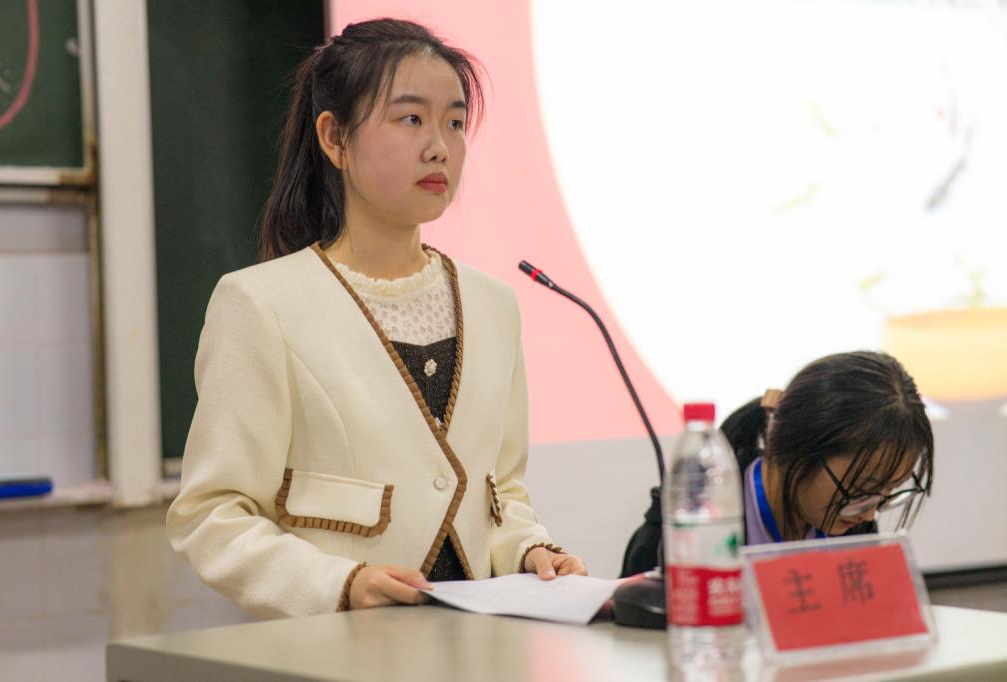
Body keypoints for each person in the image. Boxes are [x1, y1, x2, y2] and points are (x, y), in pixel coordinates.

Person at [167, 18, 585, 619]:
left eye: (455, 122)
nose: (439, 147)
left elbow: (500, 492)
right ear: (334, 138)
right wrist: (340, 583)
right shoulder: (260, 304)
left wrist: (529, 549)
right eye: (411, 118)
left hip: (479, 645)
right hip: (339, 647)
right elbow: (210, 514)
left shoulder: (494, 305)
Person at [620, 351, 933, 575]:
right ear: (798, 448)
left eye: (888, 493)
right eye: (862, 490)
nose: (869, 513)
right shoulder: (693, 525)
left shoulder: (853, 526)